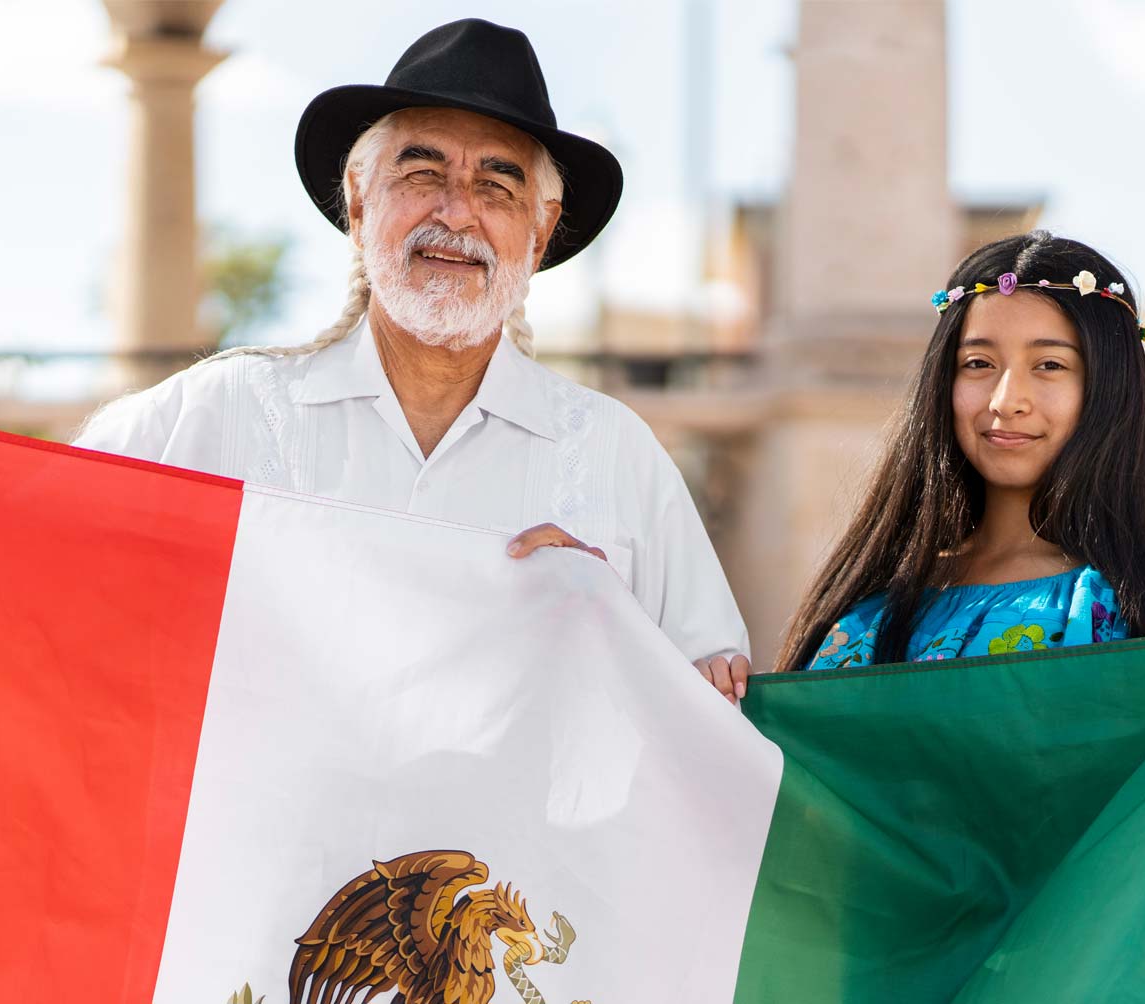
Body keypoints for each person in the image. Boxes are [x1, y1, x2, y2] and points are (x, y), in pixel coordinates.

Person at [73, 19, 750, 674]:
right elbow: (27, 565)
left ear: (540, 233)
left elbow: (709, 714)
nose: (456, 213)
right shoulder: (211, 418)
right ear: (360, 200)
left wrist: (610, 631)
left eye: (496, 185)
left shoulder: (618, 459)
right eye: (423, 174)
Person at [739, 230, 1145, 681]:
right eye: (977, 364)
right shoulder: (873, 613)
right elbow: (797, 800)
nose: (1006, 400)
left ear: (1107, 389)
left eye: (1049, 365)